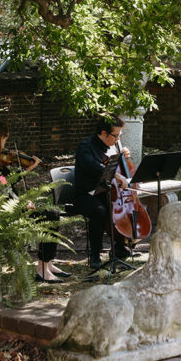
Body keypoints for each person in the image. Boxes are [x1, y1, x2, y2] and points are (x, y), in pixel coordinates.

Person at [0, 118, 68, 283]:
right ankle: (42, 269)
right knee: (51, 215)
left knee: (52, 213)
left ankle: (47, 264)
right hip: (1, 211)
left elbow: (8, 185)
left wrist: (22, 198)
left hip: (11, 205)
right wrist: (26, 174)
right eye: (4, 138)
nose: (5, 142)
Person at [72, 115, 133, 270]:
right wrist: (116, 175)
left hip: (105, 191)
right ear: (104, 133)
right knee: (98, 210)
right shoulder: (85, 146)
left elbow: (111, 165)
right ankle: (95, 255)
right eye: (115, 135)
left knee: (118, 207)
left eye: (120, 135)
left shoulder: (112, 146)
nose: (118, 139)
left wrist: (122, 158)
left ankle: (119, 246)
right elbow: (92, 166)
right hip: (84, 194)